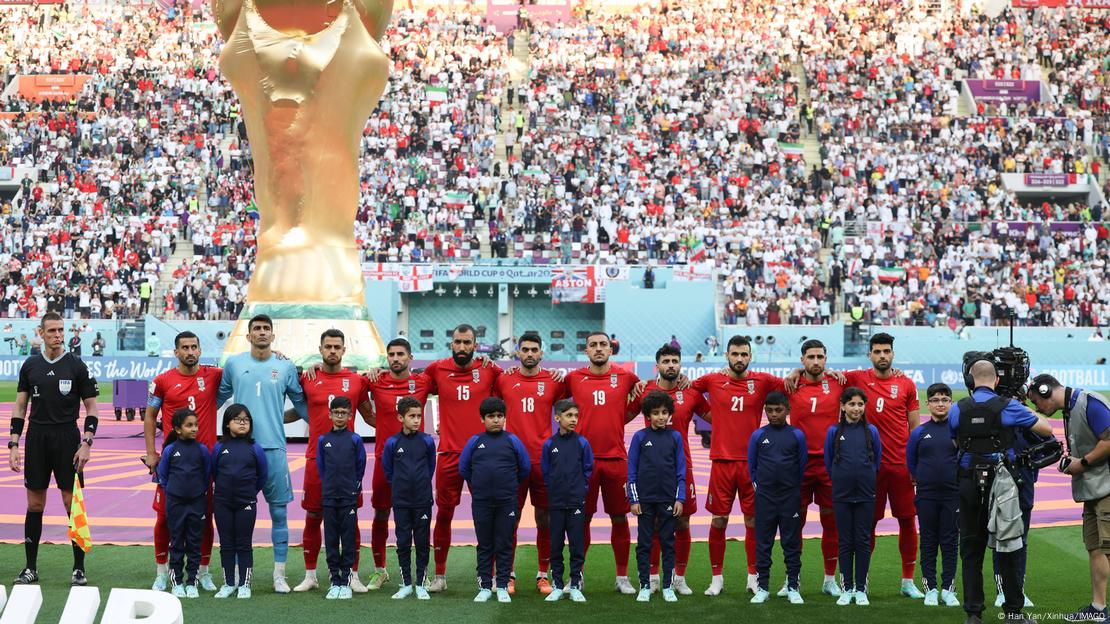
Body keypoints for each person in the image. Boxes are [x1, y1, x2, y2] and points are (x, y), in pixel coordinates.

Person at [950, 360, 1054, 624]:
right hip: (1002, 482)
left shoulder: (957, 408)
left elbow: (955, 439)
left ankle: (973, 613)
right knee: (1009, 545)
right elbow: (1046, 429)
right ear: (997, 380)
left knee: (971, 549)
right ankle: (1013, 613)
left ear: (971, 381)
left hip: (967, 481)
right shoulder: (1009, 406)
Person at [217, 314, 307, 593]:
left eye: (267, 328)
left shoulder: (285, 365)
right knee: (232, 514)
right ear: (248, 335)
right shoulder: (234, 364)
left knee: (279, 512)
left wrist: (323, 427)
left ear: (273, 335)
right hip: (238, 452)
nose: (262, 332)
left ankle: (279, 575)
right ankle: (233, 576)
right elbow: (215, 399)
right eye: (256, 328)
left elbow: (302, 404)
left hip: (274, 449)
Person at [9, 312, 100, 587]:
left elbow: (92, 408)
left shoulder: (77, 365)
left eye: (61, 330)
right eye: (52, 331)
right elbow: (20, 407)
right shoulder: (30, 365)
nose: (57, 335)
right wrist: (13, 444)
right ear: (41, 333)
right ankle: (30, 568)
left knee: (71, 505)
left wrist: (86, 443)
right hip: (36, 438)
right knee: (34, 504)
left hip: (67, 439)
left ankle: (79, 568)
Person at [692, 335, 785, 596]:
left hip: (753, 464)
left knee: (753, 521)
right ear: (727, 355)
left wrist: (801, 369)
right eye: (735, 354)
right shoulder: (712, 380)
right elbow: (685, 388)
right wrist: (711, 416)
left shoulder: (763, 381)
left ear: (750, 356)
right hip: (721, 462)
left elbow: (793, 384)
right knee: (719, 520)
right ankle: (716, 578)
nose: (740, 359)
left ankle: (753, 577)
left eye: (744, 354)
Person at [292, 330, 373, 593]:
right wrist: (269, 416)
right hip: (317, 459)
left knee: (350, 518)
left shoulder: (357, 381)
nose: (332, 351)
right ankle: (311, 575)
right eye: (328, 346)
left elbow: (370, 415)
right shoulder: (308, 377)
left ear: (344, 350)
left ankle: (352, 575)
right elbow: (299, 409)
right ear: (320, 348)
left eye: (337, 346)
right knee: (313, 515)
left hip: (348, 463)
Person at [843, 333, 924, 598]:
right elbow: (826, 375)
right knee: (867, 524)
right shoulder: (857, 378)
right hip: (869, 468)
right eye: (877, 351)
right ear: (869, 355)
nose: (882, 355)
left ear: (893, 354)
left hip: (901, 465)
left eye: (886, 351)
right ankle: (862, 581)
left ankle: (907, 581)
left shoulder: (906, 384)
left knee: (907, 521)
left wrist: (915, 464)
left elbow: (915, 429)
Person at [423, 324, 502, 592]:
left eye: (467, 342)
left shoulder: (489, 369)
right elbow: (411, 387)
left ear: (476, 344)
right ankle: (440, 576)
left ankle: (489, 576)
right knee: (444, 514)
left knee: (487, 516)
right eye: (458, 341)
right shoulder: (436, 369)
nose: (462, 347)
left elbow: (515, 385)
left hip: (483, 456)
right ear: (451, 343)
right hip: (448, 455)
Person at [1025, 374, 1110, 622]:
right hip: (1094, 488)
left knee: (1106, 548)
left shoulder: (1089, 402)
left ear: (1045, 391)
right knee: (1095, 548)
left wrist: (1081, 463)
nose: (1037, 408)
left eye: (1036, 402)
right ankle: (1098, 608)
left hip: (1105, 485)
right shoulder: (1071, 408)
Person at [143, 331, 223, 592]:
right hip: (173, 462)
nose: (190, 351)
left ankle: (202, 571)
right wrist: (152, 452)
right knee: (164, 518)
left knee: (205, 517)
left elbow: (244, 367)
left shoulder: (213, 375)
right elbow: (149, 416)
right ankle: (162, 572)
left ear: (200, 350)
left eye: (194, 347)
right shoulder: (163, 381)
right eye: (185, 348)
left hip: (205, 463)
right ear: (176, 352)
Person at [627, 344, 708, 594]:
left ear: (680, 365)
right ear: (657, 365)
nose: (670, 365)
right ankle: (652, 577)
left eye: (675, 361)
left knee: (682, 522)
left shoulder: (691, 392)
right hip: (650, 471)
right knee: (651, 525)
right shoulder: (644, 390)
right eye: (666, 361)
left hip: (682, 467)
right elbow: (622, 415)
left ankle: (679, 578)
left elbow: (717, 416)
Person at [564, 331, 640, 594]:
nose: (598, 349)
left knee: (620, 517)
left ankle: (622, 577)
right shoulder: (573, 378)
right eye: (593, 345)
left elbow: (644, 398)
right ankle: (577, 575)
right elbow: (554, 400)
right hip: (582, 462)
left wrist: (622, 419)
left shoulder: (626, 377)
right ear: (586, 351)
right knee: (580, 519)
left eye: (603, 345)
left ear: (611, 349)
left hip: (616, 459)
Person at [496, 332, 566, 593]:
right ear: (517, 353)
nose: (529, 354)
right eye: (524, 349)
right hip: (512, 462)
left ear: (541, 353)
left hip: (544, 461)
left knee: (545, 519)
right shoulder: (504, 379)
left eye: (534, 349)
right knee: (509, 519)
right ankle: (508, 574)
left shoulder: (554, 381)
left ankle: (542, 575)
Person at [365, 338, 433, 587]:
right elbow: (355, 392)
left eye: (400, 354)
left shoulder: (424, 381)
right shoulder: (375, 380)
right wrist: (374, 420)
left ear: (410, 357)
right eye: (391, 354)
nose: (395, 358)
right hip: (385, 460)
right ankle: (380, 569)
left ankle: (421, 573)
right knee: (381, 512)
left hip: (416, 463)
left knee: (419, 517)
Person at [459, 397, 530, 603]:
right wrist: (480, 485)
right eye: (491, 416)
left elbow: (524, 468)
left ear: (505, 418)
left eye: (500, 416)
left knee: (504, 543)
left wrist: (508, 485)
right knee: (485, 544)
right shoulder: (475, 441)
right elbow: (464, 468)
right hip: (481, 502)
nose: (496, 420)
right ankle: (484, 585)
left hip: (507, 502)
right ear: (483, 419)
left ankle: (501, 586)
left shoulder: (512, 441)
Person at [789, 339, 845, 596]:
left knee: (830, 522)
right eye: (810, 357)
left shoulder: (839, 382)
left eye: (820, 357)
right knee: (793, 523)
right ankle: (792, 579)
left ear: (826, 359)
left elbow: (874, 376)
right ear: (802, 360)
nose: (815, 361)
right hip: (798, 464)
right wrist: (794, 373)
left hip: (828, 464)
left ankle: (829, 580)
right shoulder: (790, 384)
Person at [747, 392, 806, 605]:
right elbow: (752, 467)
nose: (773, 414)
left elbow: (801, 465)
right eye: (769, 411)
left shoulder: (797, 435)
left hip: (790, 497)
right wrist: (761, 488)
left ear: (788, 410)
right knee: (763, 543)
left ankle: (792, 586)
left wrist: (790, 487)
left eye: (778, 410)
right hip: (765, 497)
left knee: (791, 542)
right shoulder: (758, 435)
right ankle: (763, 587)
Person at [825, 387, 882, 606]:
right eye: (851, 404)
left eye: (860, 404)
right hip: (842, 494)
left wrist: (864, 479)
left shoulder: (872, 431)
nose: (856, 408)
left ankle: (861, 589)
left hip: (866, 494)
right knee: (845, 541)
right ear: (842, 406)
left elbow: (876, 460)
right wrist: (842, 480)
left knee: (863, 540)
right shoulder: (833, 432)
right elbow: (829, 461)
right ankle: (847, 588)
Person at [627, 390, 685, 603]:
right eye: (656, 413)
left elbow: (681, 470)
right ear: (647, 415)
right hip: (644, 501)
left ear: (670, 414)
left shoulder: (675, 437)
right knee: (644, 543)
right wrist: (634, 500)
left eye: (664, 412)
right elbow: (631, 470)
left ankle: (668, 586)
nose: (661, 417)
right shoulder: (640, 437)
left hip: (669, 499)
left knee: (668, 542)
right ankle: (644, 585)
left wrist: (680, 498)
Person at [907, 383, 960, 607]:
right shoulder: (919, 432)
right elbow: (911, 462)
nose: (940, 404)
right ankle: (930, 589)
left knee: (950, 542)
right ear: (927, 404)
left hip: (953, 495)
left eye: (944, 400)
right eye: (935, 400)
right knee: (928, 541)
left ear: (951, 403)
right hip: (927, 495)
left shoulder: (958, 432)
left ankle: (948, 589)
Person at [211, 404, 268, 599]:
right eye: (238, 419)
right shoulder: (219, 447)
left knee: (244, 544)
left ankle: (244, 584)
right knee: (226, 544)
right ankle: (228, 583)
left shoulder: (255, 448)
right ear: (227, 424)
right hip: (222, 503)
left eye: (246, 420)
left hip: (246, 503)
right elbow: (213, 473)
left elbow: (262, 475)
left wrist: (249, 493)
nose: (243, 423)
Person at [381, 397, 436, 601]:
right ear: (400, 417)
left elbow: (430, 467)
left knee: (422, 543)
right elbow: (388, 471)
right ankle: (405, 584)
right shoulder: (393, 442)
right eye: (411, 416)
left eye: (419, 416)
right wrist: (400, 487)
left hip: (422, 500)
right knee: (403, 542)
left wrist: (421, 485)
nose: (416, 420)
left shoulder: (427, 441)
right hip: (401, 501)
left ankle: (420, 584)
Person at [156, 408, 213, 598]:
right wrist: (175, 492)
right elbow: (163, 476)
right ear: (177, 429)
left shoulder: (202, 450)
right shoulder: (170, 450)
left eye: (196, 425)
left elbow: (207, 475)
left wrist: (197, 492)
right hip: (175, 503)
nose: (194, 428)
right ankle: (177, 582)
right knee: (177, 543)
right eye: (189, 425)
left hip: (197, 503)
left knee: (195, 543)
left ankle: (192, 582)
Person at [542, 399, 593, 603]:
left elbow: (588, 469)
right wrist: (555, 489)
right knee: (555, 545)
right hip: (556, 503)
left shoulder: (582, 443)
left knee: (576, 545)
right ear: (557, 418)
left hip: (576, 502)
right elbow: (546, 471)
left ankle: (574, 585)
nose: (573, 420)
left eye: (575, 416)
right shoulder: (549, 444)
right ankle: (556, 584)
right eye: (569, 415)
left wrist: (580, 489)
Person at [316, 396, 366, 600]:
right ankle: (334, 581)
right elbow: (321, 468)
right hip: (329, 496)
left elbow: (360, 467)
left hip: (348, 497)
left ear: (350, 416)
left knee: (348, 538)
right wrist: (329, 486)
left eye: (343, 413)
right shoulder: (323, 440)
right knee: (330, 539)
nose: (339, 416)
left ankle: (346, 581)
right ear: (330, 414)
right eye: (336, 412)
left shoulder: (355, 439)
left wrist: (352, 488)